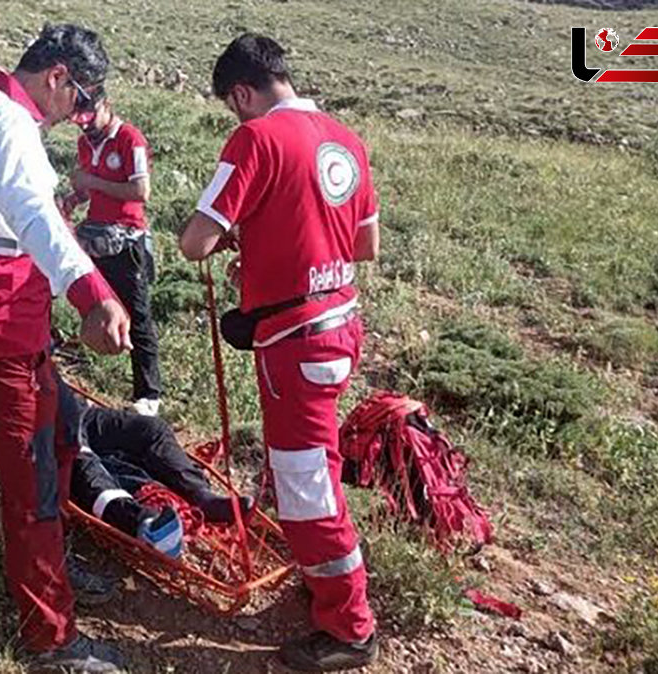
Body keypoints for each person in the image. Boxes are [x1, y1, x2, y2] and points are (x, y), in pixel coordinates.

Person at [0, 23, 132, 674]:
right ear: (57, 78)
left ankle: (53, 563)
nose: (80, 113)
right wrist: (92, 295)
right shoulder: (12, 129)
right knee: (33, 480)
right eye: (81, 98)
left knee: (63, 439)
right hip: (0, 330)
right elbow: (35, 218)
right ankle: (52, 640)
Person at [178, 34, 382, 672]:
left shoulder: (255, 139)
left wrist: (242, 239)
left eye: (231, 106)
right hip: (340, 324)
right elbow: (365, 245)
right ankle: (325, 586)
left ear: (242, 93)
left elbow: (195, 241)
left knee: (306, 484)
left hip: (296, 341)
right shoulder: (344, 137)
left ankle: (350, 626)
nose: (233, 118)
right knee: (310, 467)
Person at [0, 363, 254, 559]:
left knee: (150, 429)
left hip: (77, 413)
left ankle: (203, 498)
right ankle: (140, 522)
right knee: (79, 458)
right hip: (36, 425)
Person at [62, 96, 162, 416]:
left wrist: (91, 181)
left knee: (138, 314)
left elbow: (140, 191)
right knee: (84, 297)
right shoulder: (84, 143)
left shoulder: (128, 138)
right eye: (79, 120)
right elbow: (90, 188)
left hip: (127, 238)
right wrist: (72, 198)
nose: (86, 125)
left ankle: (149, 394)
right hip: (96, 234)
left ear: (106, 105)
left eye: (90, 117)